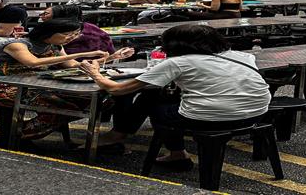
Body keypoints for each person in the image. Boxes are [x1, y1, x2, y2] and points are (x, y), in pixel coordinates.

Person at [79, 25, 272, 167]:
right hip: (257, 115)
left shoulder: (178, 62)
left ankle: (174, 152)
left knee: (152, 99)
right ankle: (163, 148)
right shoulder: (243, 56)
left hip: (212, 118)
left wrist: (94, 72)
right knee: (160, 95)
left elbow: (117, 90)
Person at [0, 18, 109, 141]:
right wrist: (83, 54)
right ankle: (17, 135)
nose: (71, 38)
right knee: (64, 107)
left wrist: (110, 57)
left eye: (75, 35)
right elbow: (33, 62)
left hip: (36, 85)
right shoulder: (16, 44)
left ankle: (20, 132)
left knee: (86, 101)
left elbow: (74, 65)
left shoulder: (55, 46)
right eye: (68, 34)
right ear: (49, 32)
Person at [39, 4, 134, 58]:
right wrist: (112, 57)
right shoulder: (91, 27)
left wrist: (112, 57)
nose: (72, 37)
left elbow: (69, 63)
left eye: (45, 13)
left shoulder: (60, 34)